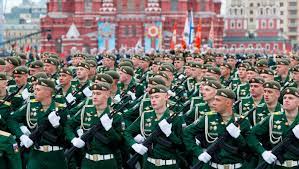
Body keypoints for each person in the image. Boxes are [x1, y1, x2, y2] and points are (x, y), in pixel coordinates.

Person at [7, 78, 68, 169]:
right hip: (36, 155)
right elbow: (11, 119)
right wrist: (22, 136)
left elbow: (66, 136)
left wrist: (57, 126)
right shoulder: (31, 105)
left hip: (56, 156)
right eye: (34, 89)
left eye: (38, 89)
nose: (34, 92)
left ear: (48, 92)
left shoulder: (61, 109)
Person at [184, 89, 251, 169]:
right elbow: (187, 132)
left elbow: (250, 148)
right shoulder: (207, 118)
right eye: (214, 99)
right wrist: (198, 152)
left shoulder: (242, 121)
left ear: (228, 103)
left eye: (218, 100)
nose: (213, 103)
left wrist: (238, 136)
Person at [64, 82, 124, 169]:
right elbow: (68, 125)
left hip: (107, 163)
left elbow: (119, 142)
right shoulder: (85, 111)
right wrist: (73, 139)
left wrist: (109, 128)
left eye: (98, 93)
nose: (94, 96)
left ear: (107, 95)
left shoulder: (116, 116)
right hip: (87, 162)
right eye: (93, 93)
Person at [124, 85, 185, 169]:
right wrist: (134, 145)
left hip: (168, 165)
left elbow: (182, 145)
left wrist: (170, 134)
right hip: (149, 164)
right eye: (151, 97)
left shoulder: (175, 118)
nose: (153, 100)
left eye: (157, 97)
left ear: (166, 97)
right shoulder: (145, 115)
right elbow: (127, 132)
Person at [247, 87, 299, 168]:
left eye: (291, 98)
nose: (286, 100)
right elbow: (250, 134)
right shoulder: (273, 118)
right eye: (285, 97)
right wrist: (263, 152)